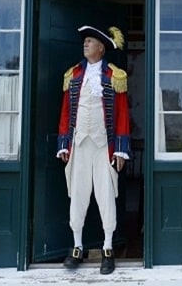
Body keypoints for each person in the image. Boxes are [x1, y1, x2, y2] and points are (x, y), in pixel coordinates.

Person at [56, 25, 130, 275]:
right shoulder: (74, 75)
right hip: (79, 145)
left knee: (105, 196)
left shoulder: (114, 76)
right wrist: (63, 144)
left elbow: (122, 116)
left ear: (101, 47)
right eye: (85, 41)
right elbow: (66, 113)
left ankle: (107, 247)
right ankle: (77, 246)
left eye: (89, 41)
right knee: (77, 195)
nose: (85, 45)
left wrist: (120, 150)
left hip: (103, 147)